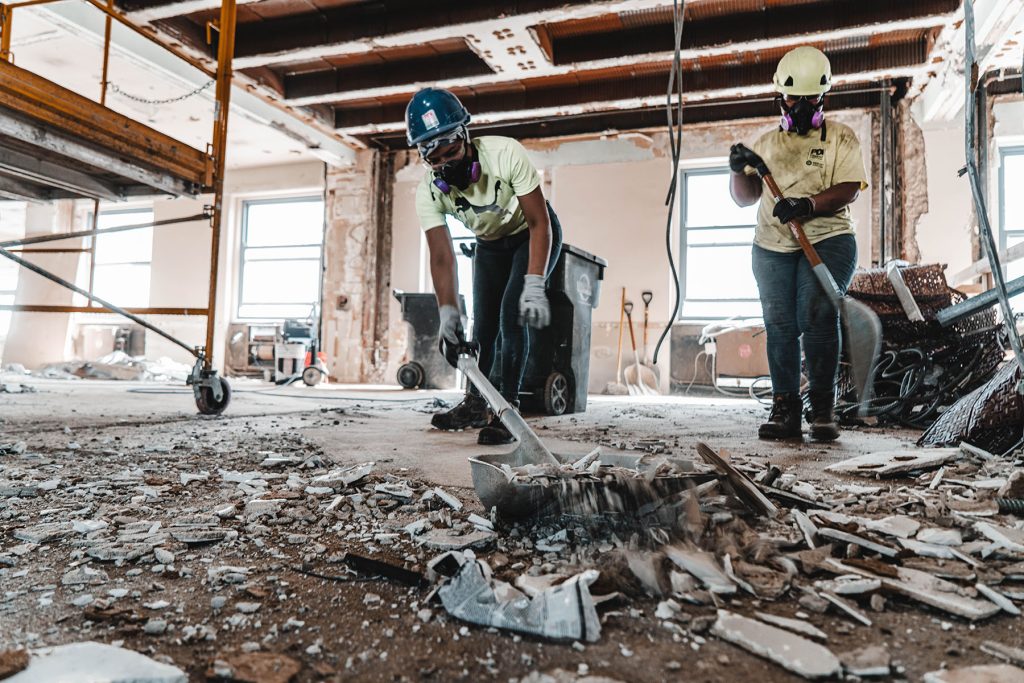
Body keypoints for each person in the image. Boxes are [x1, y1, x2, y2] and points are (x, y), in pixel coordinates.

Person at [406, 87, 562, 445]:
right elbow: (442, 255)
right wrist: (447, 310)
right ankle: (477, 404)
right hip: (490, 245)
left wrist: (534, 282)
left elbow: (540, 223)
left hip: (529, 233)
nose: (449, 165)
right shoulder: (428, 192)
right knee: (483, 328)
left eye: (453, 151)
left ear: (466, 135)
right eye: (437, 160)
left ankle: (508, 411)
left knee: (511, 316)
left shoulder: (505, 153)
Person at [728, 46, 868, 441]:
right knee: (779, 324)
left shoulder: (840, 137)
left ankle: (822, 408)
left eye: (811, 99)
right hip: (771, 247)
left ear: (824, 98)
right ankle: (785, 408)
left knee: (817, 313)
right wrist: (738, 169)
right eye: (794, 98)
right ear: (780, 98)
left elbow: (848, 190)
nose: (802, 106)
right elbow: (744, 196)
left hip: (829, 240)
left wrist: (807, 204)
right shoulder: (766, 143)